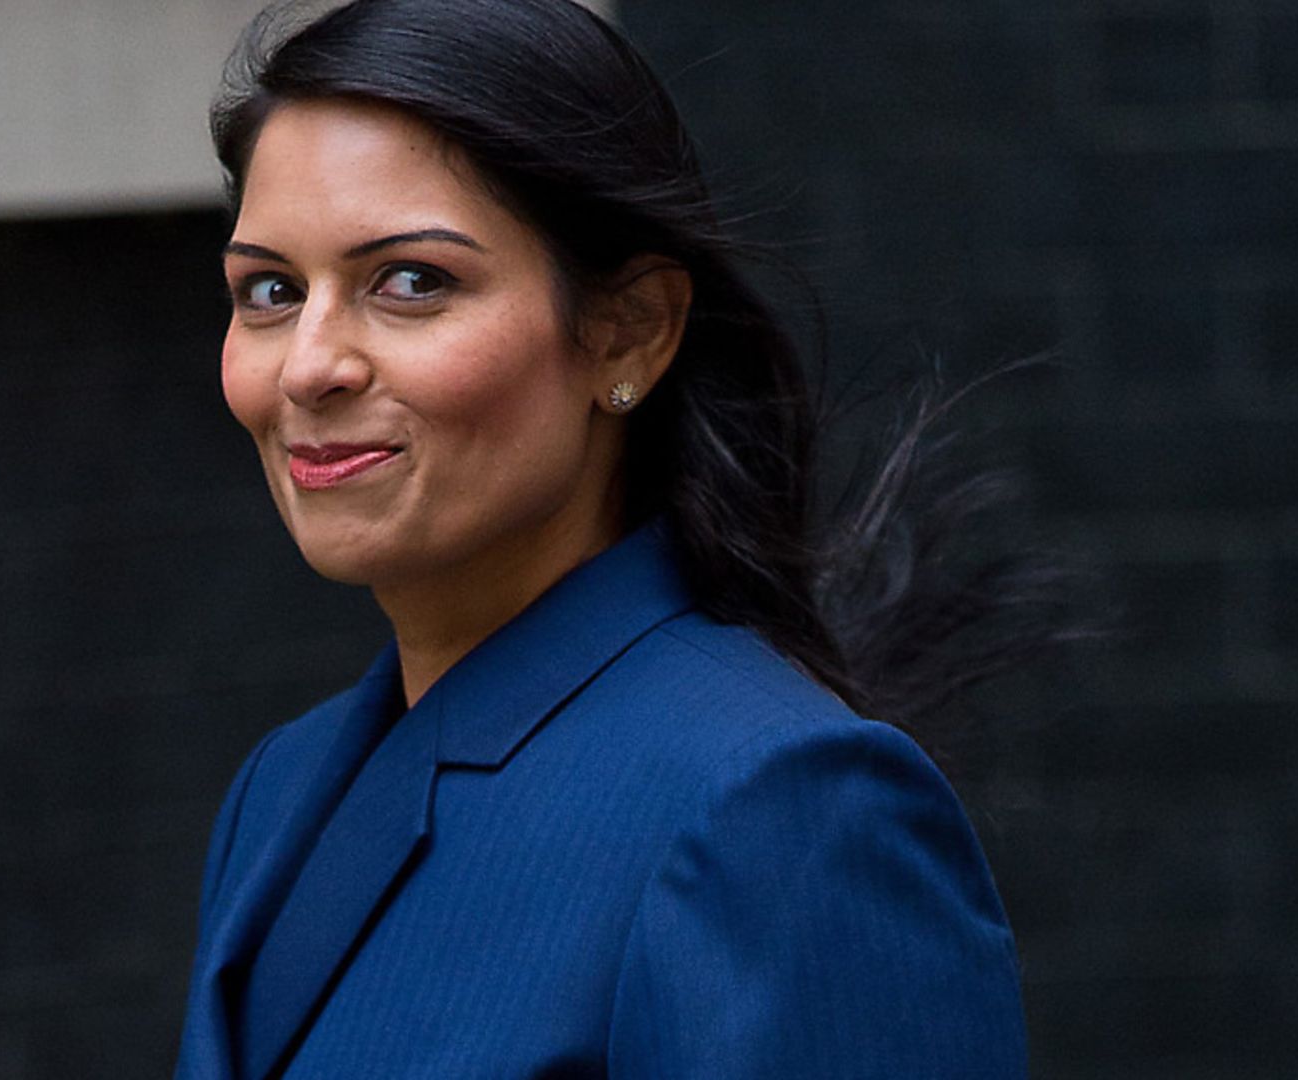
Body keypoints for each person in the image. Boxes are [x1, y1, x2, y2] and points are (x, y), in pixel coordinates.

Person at [177, 1, 1050, 1075]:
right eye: (270, 290)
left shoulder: (783, 809)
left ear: (628, 329)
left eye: (411, 282)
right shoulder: (284, 787)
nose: (309, 365)